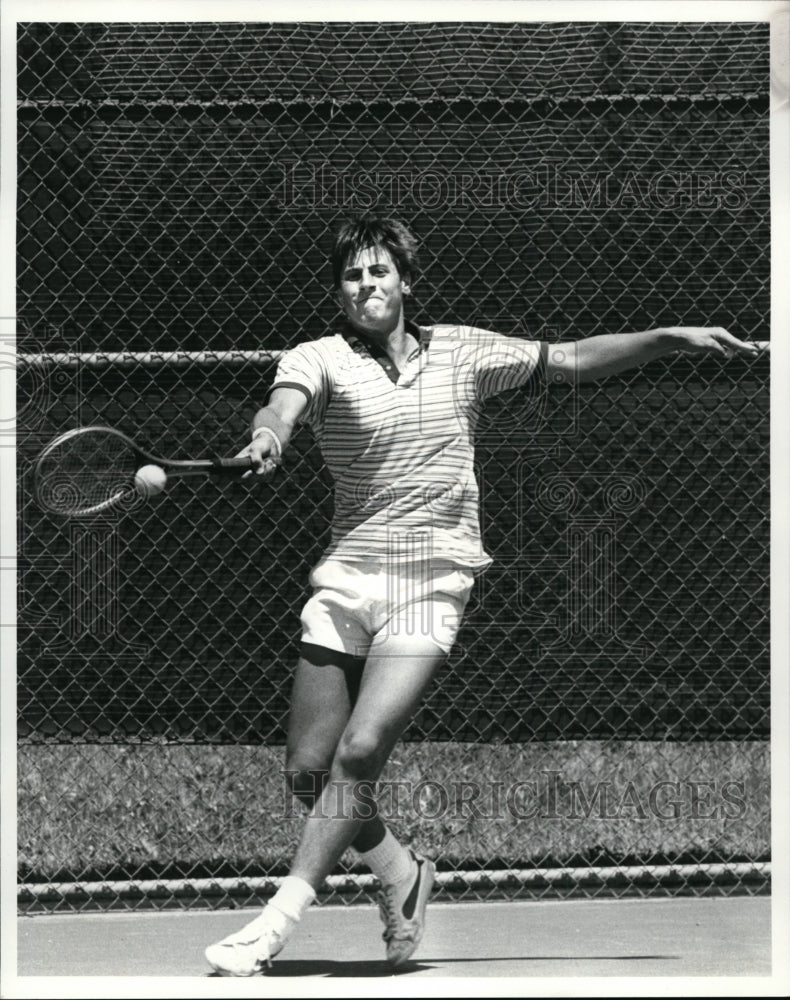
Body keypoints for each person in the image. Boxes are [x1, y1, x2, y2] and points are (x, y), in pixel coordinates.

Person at [204, 213, 759, 976]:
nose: (365, 285)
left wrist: (668, 337)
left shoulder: (465, 351)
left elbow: (571, 360)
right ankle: (403, 875)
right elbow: (282, 406)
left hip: (432, 577)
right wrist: (268, 435)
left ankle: (275, 921)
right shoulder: (318, 357)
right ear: (339, 292)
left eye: (378, 271)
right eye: (351, 276)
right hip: (349, 575)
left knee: (360, 750)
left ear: (405, 280)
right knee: (308, 771)